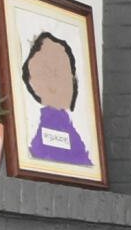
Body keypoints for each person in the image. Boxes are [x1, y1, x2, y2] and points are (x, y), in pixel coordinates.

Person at [19, 31, 92, 169]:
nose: (55, 84)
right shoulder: (45, 130)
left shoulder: (73, 133)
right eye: (45, 72)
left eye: (61, 70)